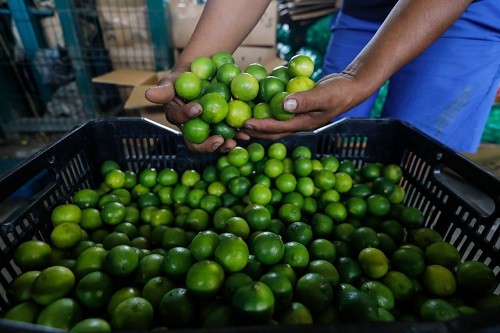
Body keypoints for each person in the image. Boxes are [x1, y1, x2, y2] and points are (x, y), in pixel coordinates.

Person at [145, 0, 500, 154]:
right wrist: (189, 66)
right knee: (329, 133)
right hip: (366, 8)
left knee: (420, 144)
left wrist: (360, 77)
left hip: (457, 13)